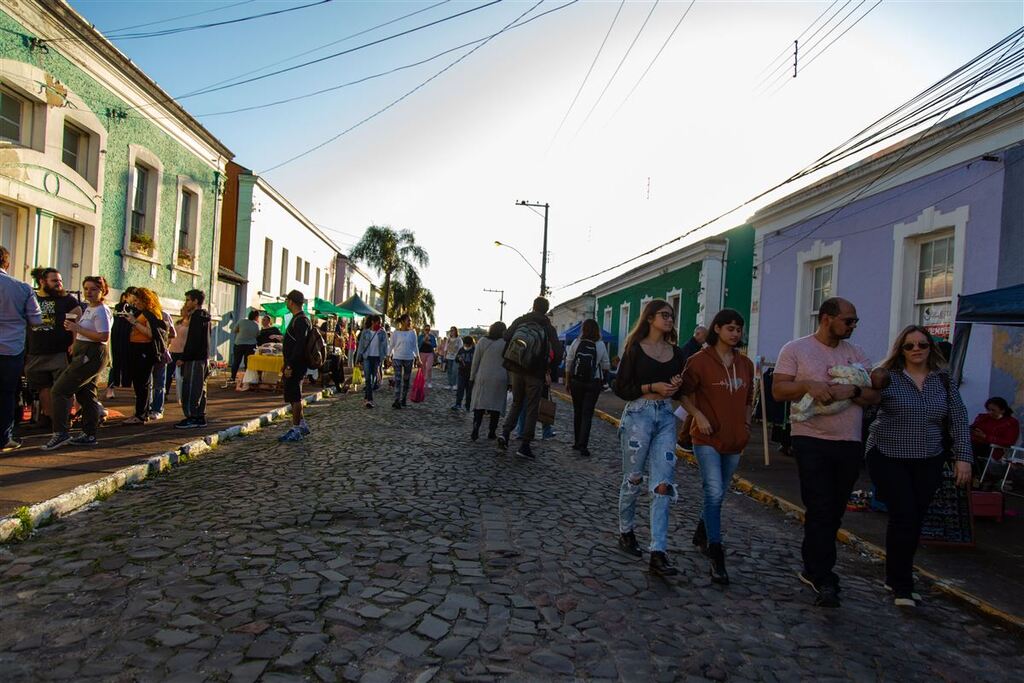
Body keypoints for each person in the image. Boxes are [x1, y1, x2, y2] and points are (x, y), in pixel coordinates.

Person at [772, 297, 879, 608]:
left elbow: (875, 395)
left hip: (849, 440)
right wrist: (808, 385)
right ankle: (823, 574)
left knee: (834, 509)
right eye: (848, 320)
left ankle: (813, 565)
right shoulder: (795, 349)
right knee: (819, 504)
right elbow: (778, 390)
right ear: (827, 318)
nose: (853, 326)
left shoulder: (856, 354)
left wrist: (853, 390)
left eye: (855, 321)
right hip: (811, 438)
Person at [866, 325, 972, 607]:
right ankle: (902, 584)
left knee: (914, 518)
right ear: (900, 350)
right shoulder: (888, 377)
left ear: (930, 348)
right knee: (904, 514)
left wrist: (963, 457)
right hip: (888, 454)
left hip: (928, 457)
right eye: (909, 345)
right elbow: (867, 408)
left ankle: (896, 575)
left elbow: (959, 419)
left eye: (922, 345)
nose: (916, 350)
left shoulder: (943, 381)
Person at [679, 309, 754, 585]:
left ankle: (702, 532)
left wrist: (746, 426)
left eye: (738, 329)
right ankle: (716, 552)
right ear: (717, 329)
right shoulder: (698, 361)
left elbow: (749, 399)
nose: (735, 333)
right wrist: (698, 416)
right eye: (730, 328)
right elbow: (683, 394)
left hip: (735, 439)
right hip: (706, 437)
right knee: (713, 491)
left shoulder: (746, 364)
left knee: (719, 493)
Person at [612, 299, 687, 576]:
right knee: (633, 479)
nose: (669, 319)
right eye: (664, 315)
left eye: (671, 316)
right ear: (650, 318)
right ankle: (626, 531)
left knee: (663, 485)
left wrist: (677, 385)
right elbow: (620, 387)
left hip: (666, 417)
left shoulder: (677, 353)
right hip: (638, 416)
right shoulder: (634, 349)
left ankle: (658, 551)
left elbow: (681, 391)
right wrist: (651, 386)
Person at [41, 276, 114, 449]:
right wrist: (76, 340)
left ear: (102, 291)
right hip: (85, 351)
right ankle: (89, 434)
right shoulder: (90, 308)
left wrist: (77, 329)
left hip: (91, 354)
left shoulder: (101, 310)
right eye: (86, 289)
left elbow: (103, 336)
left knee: (59, 390)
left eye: (94, 289)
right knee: (86, 394)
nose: (89, 292)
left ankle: (60, 433)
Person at [498, 297, 560, 459]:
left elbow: (506, 336)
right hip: (535, 372)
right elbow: (558, 352)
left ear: (533, 306)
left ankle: (505, 434)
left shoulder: (521, 320)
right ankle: (525, 445)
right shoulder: (548, 327)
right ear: (546, 310)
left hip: (516, 368)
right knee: (532, 407)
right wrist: (549, 368)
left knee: (517, 403)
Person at [25, 267, 82, 430]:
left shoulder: (68, 300)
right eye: (54, 280)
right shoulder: (32, 298)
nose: (59, 284)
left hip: (60, 351)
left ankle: (63, 419)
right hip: (36, 351)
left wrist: (74, 343)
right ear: (42, 281)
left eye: (60, 280)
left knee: (62, 387)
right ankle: (49, 417)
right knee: (43, 386)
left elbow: (76, 322)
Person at [0, 247, 43, 452]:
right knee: (6, 393)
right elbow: (36, 320)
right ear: (7, 264)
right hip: (11, 348)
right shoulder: (22, 288)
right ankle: (3, 438)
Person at [564, 319, 611, 458]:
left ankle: (576, 442)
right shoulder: (600, 345)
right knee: (587, 414)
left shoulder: (576, 342)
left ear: (583, 329)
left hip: (576, 382)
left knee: (577, 411)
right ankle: (583, 445)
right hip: (593, 383)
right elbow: (606, 365)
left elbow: (569, 362)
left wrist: (567, 381)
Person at [121, 288, 167, 425]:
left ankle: (141, 414)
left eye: (137, 300)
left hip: (144, 350)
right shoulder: (142, 313)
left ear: (145, 300)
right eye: (133, 301)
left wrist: (134, 322)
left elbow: (151, 333)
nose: (135, 303)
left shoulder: (149, 314)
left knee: (142, 383)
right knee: (139, 383)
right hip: (137, 349)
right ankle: (141, 412)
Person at [175, 290, 211, 429]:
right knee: (200, 388)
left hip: (195, 358)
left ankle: (192, 416)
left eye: (188, 300)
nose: (186, 303)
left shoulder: (196, 317)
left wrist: (184, 357)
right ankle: (200, 415)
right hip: (202, 357)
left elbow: (193, 340)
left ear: (195, 301)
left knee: (191, 387)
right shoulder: (204, 316)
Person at [280, 290, 312, 442]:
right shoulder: (298, 319)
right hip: (293, 363)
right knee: (293, 396)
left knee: (295, 396)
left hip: (296, 365)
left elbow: (300, 345)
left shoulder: (301, 320)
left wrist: (290, 365)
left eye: (287, 300)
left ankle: (296, 429)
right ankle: (302, 425)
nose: (286, 302)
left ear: (291, 302)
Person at [470, 322, 508, 441]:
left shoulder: (482, 341)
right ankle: (492, 431)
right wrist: (511, 381)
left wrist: (472, 377)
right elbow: (509, 363)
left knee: (480, 405)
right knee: (495, 406)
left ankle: (476, 427)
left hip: (483, 377)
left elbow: (475, 361)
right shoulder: (506, 343)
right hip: (500, 378)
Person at [970, 397, 1020, 469]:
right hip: (975, 443)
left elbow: (1009, 442)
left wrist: (985, 436)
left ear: (1002, 410)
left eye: (993, 410)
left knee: (971, 448)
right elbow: (973, 427)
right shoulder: (983, 417)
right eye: (988, 410)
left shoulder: (1011, 423)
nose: (990, 412)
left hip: (993, 449)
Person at [105, 289, 135, 400]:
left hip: (131, 340)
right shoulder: (120, 307)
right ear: (126, 296)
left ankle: (136, 389)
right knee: (116, 364)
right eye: (132, 295)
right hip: (118, 339)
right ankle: (110, 388)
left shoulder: (137, 309)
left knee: (132, 364)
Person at [148, 307, 176, 420]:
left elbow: (173, 334)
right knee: (147, 383)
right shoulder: (141, 315)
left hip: (160, 352)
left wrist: (162, 338)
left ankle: (157, 409)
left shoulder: (164, 315)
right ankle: (148, 408)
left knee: (159, 383)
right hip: (146, 352)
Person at [357, 314, 388, 409]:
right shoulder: (365, 332)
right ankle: (369, 400)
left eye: (381, 323)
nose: (379, 325)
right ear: (372, 322)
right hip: (367, 357)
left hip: (377, 358)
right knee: (368, 378)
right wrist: (358, 358)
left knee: (373, 379)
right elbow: (361, 345)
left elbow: (385, 345)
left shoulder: (382, 333)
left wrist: (386, 357)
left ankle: (367, 397)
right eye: (378, 323)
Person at [389, 314, 418, 408]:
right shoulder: (396, 333)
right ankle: (396, 400)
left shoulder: (413, 332)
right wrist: (388, 356)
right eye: (408, 320)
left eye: (410, 320)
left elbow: (415, 346)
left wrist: (418, 358)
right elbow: (391, 345)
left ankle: (403, 399)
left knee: (406, 380)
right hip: (397, 358)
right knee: (398, 380)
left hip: (409, 358)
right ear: (402, 321)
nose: (410, 322)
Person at [166, 305, 190, 402]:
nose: (181, 311)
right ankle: (165, 393)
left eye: (183, 310)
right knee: (168, 374)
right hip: (172, 351)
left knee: (181, 376)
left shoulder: (190, 324)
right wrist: (167, 345)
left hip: (182, 352)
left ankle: (183, 395)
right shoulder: (178, 322)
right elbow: (171, 335)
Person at [231, 310, 260, 381]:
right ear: (256, 317)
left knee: (236, 361)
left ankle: (232, 377)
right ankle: (247, 379)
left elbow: (234, 330)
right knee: (248, 363)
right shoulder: (256, 325)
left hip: (239, 344)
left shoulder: (241, 321)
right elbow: (257, 335)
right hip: (251, 346)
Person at [453, 336, 475, 411]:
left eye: (467, 345)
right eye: (465, 344)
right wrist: (458, 359)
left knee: (469, 391)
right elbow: (456, 359)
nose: (466, 346)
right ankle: (458, 404)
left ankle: (468, 405)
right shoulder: (461, 349)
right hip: (461, 373)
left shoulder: (474, 350)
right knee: (460, 389)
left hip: (471, 374)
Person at [418, 324, 437, 390]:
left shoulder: (432, 336)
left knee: (429, 368)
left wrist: (429, 342)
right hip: (422, 353)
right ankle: (424, 382)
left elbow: (434, 345)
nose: (427, 331)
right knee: (423, 368)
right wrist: (423, 340)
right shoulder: (420, 336)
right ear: (423, 330)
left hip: (430, 353)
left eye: (428, 330)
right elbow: (418, 344)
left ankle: (429, 381)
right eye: (426, 329)